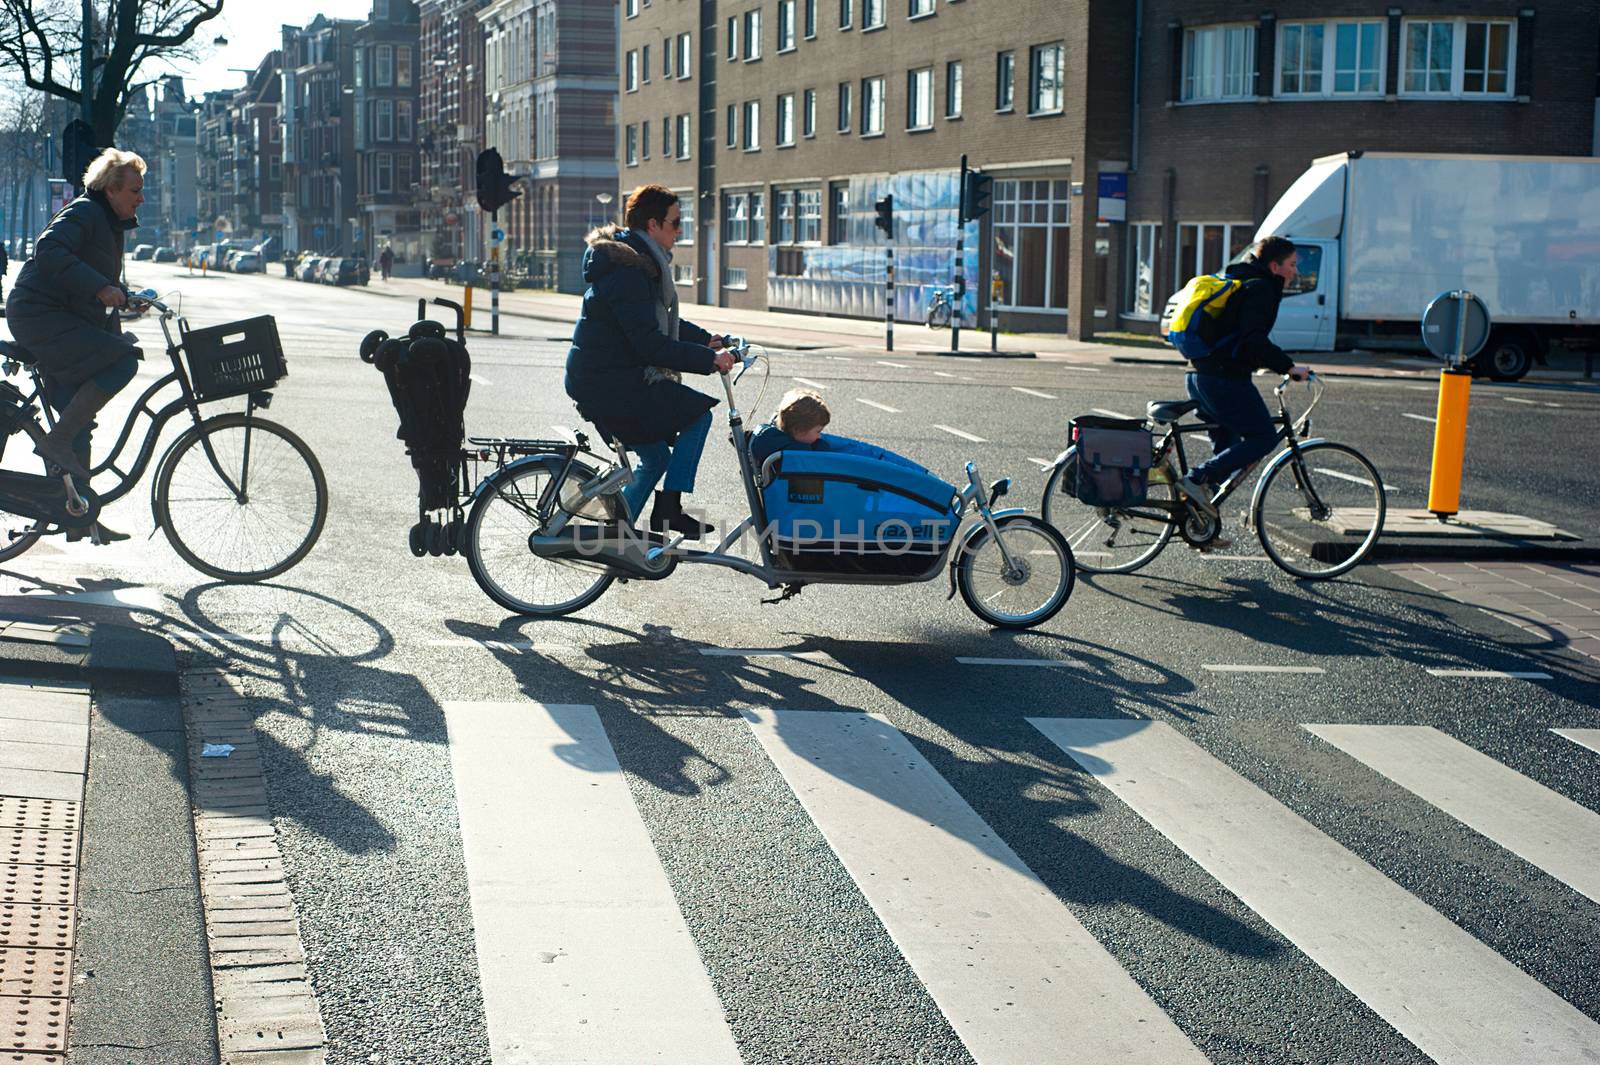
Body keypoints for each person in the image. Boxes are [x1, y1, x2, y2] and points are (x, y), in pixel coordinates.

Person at [565, 184, 735, 538]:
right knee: (697, 416)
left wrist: (706, 340)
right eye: (675, 223)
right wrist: (709, 360)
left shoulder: (638, 261)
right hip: (609, 381)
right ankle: (669, 509)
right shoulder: (629, 270)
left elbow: (654, 320)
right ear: (653, 224)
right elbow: (650, 344)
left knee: (656, 458)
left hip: (607, 376)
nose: (680, 231)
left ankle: (617, 536)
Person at [4, 148, 147, 544]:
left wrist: (120, 296)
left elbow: (90, 284)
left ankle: (78, 515)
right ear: (112, 190)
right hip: (40, 315)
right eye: (134, 190)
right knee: (124, 363)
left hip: (57, 317)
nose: (140, 198)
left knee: (78, 416)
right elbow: (49, 250)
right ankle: (56, 442)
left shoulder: (107, 222)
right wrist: (102, 288)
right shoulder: (86, 212)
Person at [1176, 234, 1310, 517]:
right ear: (1275, 267)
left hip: (1199, 375)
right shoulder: (1261, 289)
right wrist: (1288, 367)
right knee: (1263, 437)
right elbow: (1253, 340)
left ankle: (1198, 521)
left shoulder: (1241, 279)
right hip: (1224, 380)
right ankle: (1196, 478)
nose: (1295, 271)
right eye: (1292, 264)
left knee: (1228, 450)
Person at [749, 389, 926, 472]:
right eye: (817, 431)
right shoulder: (798, 454)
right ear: (798, 430)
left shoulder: (782, 444)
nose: (819, 436)